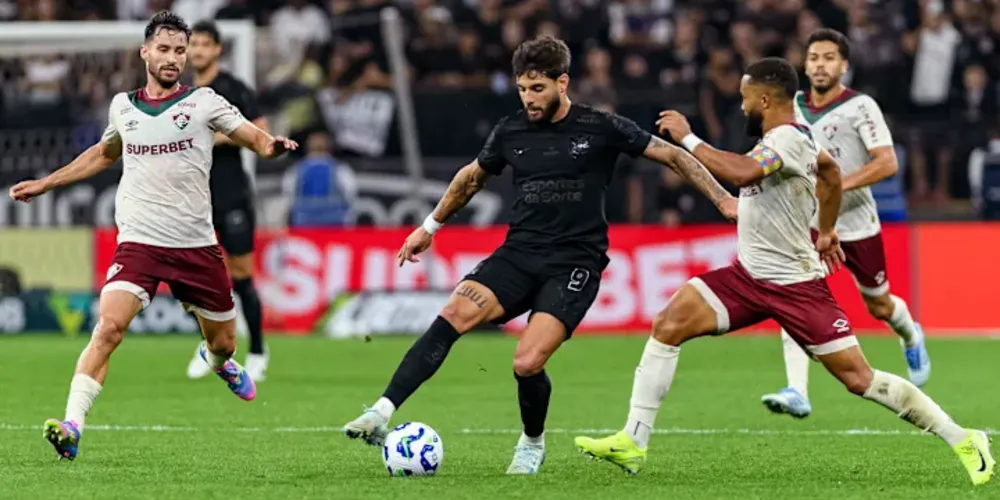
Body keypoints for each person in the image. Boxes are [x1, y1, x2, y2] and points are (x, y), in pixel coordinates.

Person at [573, 57, 994, 486]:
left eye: (743, 99)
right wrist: (826, 230)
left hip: (796, 286)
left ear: (763, 98)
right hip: (748, 278)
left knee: (859, 379)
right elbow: (829, 173)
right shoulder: (789, 139)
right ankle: (634, 440)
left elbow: (743, 170)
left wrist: (689, 138)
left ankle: (964, 437)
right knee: (668, 323)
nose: (740, 108)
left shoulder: (789, 138)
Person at [341, 35, 738, 475]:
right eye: (522, 89)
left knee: (527, 362)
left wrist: (724, 202)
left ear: (562, 83)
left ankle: (532, 442)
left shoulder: (601, 127)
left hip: (574, 264)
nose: (529, 99)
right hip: (519, 253)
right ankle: (381, 412)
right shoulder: (511, 131)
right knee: (453, 313)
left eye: (538, 89)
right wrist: (428, 227)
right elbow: (470, 179)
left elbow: (674, 158)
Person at [8, 11, 298, 461]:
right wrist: (47, 182)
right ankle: (72, 425)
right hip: (139, 242)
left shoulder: (204, 101)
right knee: (107, 329)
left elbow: (253, 138)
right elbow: (103, 154)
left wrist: (271, 145)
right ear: (145, 52)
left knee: (222, 342)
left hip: (196, 246)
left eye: (179, 51)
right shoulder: (123, 107)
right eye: (164, 49)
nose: (172, 58)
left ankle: (221, 364)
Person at [760, 28, 931, 419]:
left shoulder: (860, 106)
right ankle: (796, 390)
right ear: (805, 65)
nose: (821, 65)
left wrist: (835, 184)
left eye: (829, 58)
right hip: (808, 225)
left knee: (880, 305)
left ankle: (910, 334)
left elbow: (888, 162)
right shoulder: (792, 106)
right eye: (815, 58)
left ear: (844, 65)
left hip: (857, 222)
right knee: (794, 297)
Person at [184, 20, 271, 382]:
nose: (199, 51)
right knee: (191, 277)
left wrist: (212, 136)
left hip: (231, 189)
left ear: (218, 49)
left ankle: (258, 351)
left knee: (242, 275)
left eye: (206, 44)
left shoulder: (233, 89)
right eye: (194, 45)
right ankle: (211, 345)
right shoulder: (181, 92)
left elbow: (261, 131)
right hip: (192, 195)